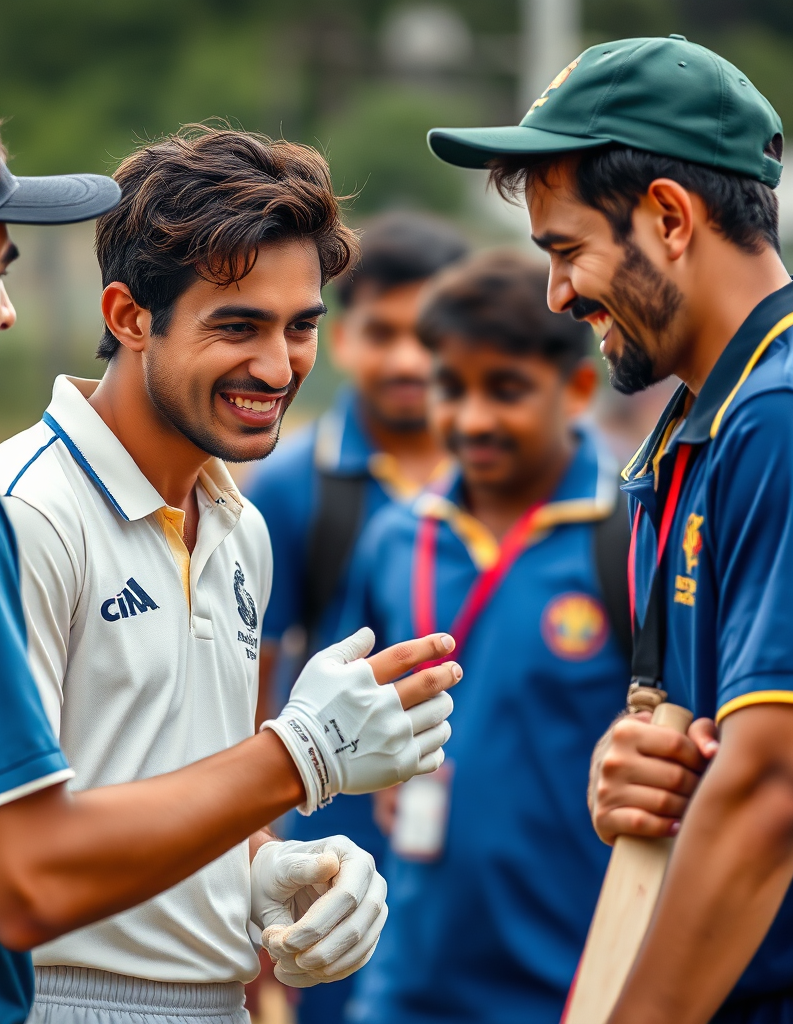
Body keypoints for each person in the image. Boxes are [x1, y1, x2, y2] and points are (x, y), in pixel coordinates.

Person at [0, 65, 457, 1024]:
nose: (278, 365)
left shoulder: (242, 527)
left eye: (302, 328)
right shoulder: (17, 511)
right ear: (130, 318)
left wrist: (259, 873)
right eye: (237, 327)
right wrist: (299, 753)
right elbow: (11, 863)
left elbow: (153, 791)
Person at [428, 33, 793, 1024]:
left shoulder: (792, 416)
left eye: (566, 250)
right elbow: (722, 751)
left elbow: (775, 779)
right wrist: (630, 773)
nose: (556, 294)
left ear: (669, 219)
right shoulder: (703, 425)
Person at [344, 250, 634, 1024]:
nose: (471, 419)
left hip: (575, 983)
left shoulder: (631, 537)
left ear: (576, 389)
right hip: (407, 983)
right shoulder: (395, 538)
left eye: (505, 390)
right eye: (452, 388)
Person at [243, 212, 467, 1023]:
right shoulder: (291, 485)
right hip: (340, 866)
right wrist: (253, 874)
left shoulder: (519, 474)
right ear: (342, 340)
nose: (410, 359)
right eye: (383, 332)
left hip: (491, 868)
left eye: (431, 334)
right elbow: (251, 693)